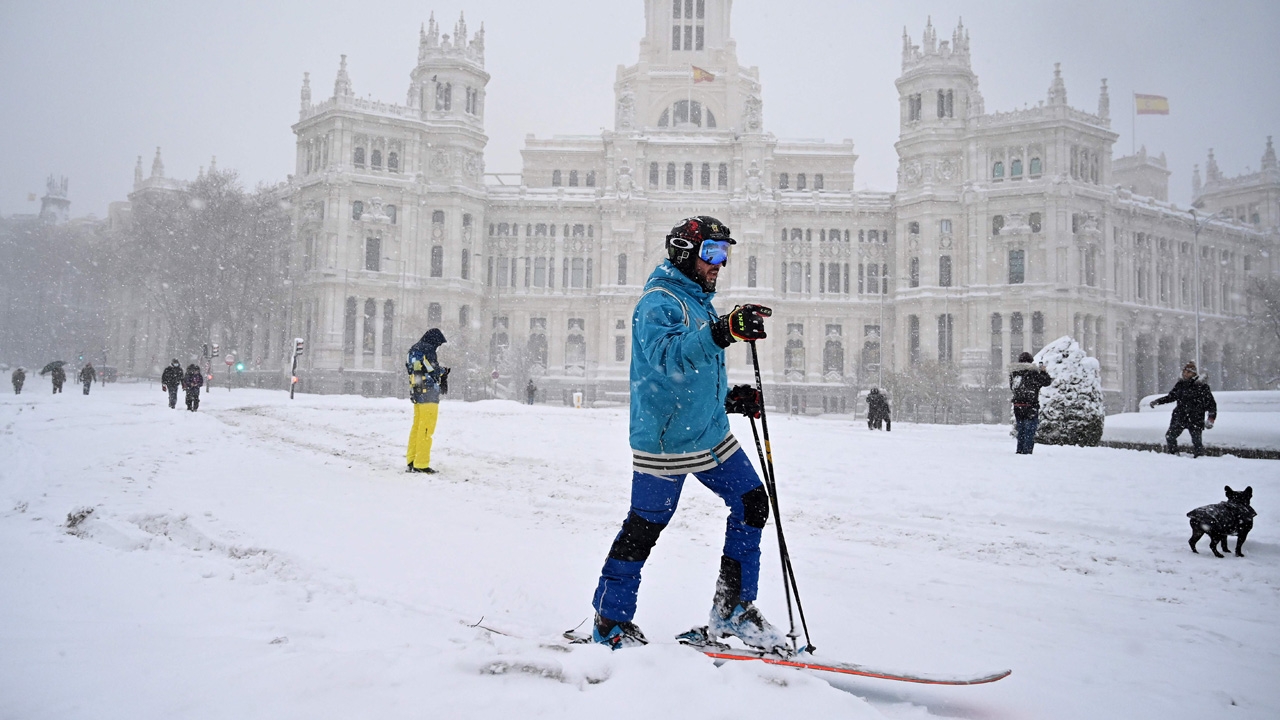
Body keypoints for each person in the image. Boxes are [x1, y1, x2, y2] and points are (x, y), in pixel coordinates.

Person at [590, 215, 787, 654]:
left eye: (725, 254)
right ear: (684, 252)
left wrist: (730, 399)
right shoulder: (658, 302)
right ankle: (610, 620)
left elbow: (695, 370)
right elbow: (667, 359)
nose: (721, 263)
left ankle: (733, 609)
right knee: (645, 525)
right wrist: (724, 331)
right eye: (712, 253)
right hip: (667, 441)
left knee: (752, 502)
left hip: (708, 431)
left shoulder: (697, 300)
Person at [1150, 361, 1218, 457]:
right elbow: (1171, 397)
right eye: (1185, 371)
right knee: (1170, 436)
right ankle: (1174, 454)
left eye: (1189, 372)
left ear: (1194, 374)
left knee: (1197, 441)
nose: (1186, 374)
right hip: (1180, 417)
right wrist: (1158, 401)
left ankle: (1200, 458)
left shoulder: (1202, 387)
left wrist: (1211, 418)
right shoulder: (1180, 385)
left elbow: (1211, 404)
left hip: (1196, 418)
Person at [406, 328, 449, 473]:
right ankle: (421, 464)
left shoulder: (413, 350)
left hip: (417, 391)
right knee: (426, 430)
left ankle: (411, 460)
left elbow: (416, 369)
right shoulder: (427, 349)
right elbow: (432, 369)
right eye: (438, 344)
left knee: (417, 428)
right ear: (434, 340)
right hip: (428, 392)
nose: (437, 347)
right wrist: (443, 372)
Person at [1009, 351, 1052, 454]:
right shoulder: (1033, 373)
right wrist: (1043, 371)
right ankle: (1027, 451)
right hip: (1031, 405)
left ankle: (1019, 450)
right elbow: (1046, 382)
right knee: (1029, 430)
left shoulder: (1014, 373)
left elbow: (1012, 387)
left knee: (1021, 429)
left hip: (1018, 405)